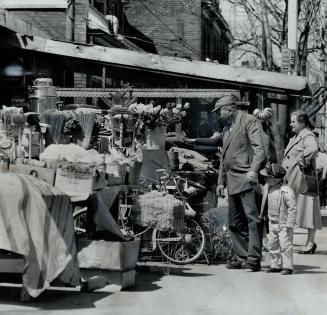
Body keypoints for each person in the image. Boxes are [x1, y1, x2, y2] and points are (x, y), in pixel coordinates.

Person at [215, 95, 266, 271]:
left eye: (219, 111)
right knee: (234, 221)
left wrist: (254, 170)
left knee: (252, 219)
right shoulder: (226, 127)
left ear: (229, 109)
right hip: (232, 179)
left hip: (247, 177)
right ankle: (241, 255)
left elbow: (260, 149)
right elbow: (224, 157)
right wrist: (220, 181)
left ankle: (253, 259)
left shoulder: (249, 121)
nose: (217, 115)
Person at [282, 110, 322, 254]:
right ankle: (289, 242)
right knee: (291, 211)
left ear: (302, 123)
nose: (291, 124)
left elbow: (313, 149)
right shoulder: (297, 136)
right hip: (293, 180)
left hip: (302, 181)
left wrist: (301, 160)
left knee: (308, 211)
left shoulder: (307, 135)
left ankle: (310, 244)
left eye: (293, 122)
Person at [259, 163, 296, 275]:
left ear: (275, 179)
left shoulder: (286, 191)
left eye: (267, 177)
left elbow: (292, 208)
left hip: (283, 224)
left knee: (285, 245)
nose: (265, 178)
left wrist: (290, 223)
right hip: (272, 222)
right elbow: (264, 201)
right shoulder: (268, 187)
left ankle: (287, 266)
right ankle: (275, 265)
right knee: (272, 245)